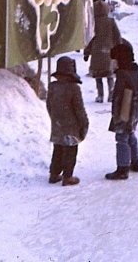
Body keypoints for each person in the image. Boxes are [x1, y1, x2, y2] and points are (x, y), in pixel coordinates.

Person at [46, 56, 88, 186]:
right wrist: (84, 124)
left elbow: (49, 105)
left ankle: (54, 174)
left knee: (57, 149)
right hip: (71, 127)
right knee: (70, 151)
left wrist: (54, 117)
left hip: (57, 124)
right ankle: (67, 177)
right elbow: (79, 109)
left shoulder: (53, 86)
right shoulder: (74, 88)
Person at [105, 40, 138, 180]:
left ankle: (122, 168)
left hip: (124, 111)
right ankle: (135, 162)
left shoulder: (123, 74)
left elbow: (118, 96)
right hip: (135, 110)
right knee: (130, 134)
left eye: (114, 60)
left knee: (121, 137)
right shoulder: (137, 71)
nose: (112, 63)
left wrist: (116, 115)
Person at [83, 0, 122, 102]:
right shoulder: (111, 22)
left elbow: (90, 40)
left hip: (96, 53)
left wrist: (87, 52)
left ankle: (100, 95)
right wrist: (120, 49)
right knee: (109, 74)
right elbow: (117, 37)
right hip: (109, 52)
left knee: (98, 76)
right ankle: (111, 93)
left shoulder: (93, 24)